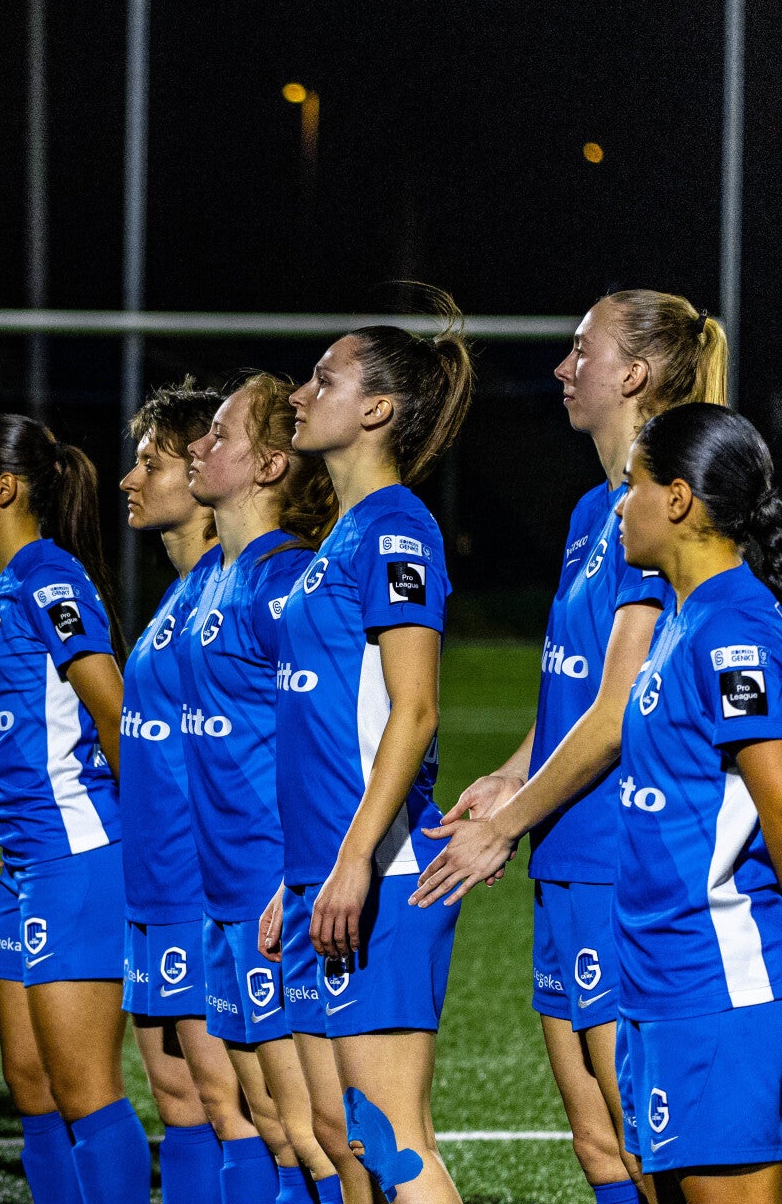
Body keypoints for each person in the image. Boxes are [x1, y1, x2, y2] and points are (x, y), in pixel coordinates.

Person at [409, 291, 732, 1203]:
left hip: (615, 857)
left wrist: (505, 824)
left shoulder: (659, 507)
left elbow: (623, 708)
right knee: (597, 1145)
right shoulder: (598, 508)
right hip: (566, 849)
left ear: (631, 374)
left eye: (581, 349)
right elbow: (578, 690)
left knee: (644, 1139)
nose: (562, 367)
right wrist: (511, 772)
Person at [607, 402, 782, 1200]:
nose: (620, 506)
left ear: (677, 500)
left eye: (632, 486)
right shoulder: (687, 617)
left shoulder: (733, 628)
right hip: (665, 973)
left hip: (719, 982)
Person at [269, 295, 474, 1204]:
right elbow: (323, 732)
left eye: (325, 378)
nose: (302, 392)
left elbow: (416, 710)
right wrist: (304, 875)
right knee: (349, 1140)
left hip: (383, 873)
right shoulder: (341, 537)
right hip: (335, 870)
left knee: (392, 1144)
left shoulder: (396, 528)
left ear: (378, 410)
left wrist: (353, 859)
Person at [0, 413, 147, 1204]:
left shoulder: (49, 577)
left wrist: (154, 837)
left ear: (6, 487)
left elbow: (113, 708)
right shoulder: (7, 581)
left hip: (80, 855)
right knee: (30, 1087)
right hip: (27, 862)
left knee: (86, 1088)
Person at [183, 375, 360, 1204]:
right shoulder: (223, 575)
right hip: (226, 888)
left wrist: (309, 872)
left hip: (273, 881)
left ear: (270, 465)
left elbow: (338, 730)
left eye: (218, 434)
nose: (197, 446)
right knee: (272, 1126)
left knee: (319, 1137)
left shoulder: (281, 579)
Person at [116, 379, 251, 1204]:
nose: (132, 479)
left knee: (238, 1108)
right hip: (157, 881)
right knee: (182, 1103)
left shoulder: (235, 588)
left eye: (150, 462)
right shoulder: (180, 595)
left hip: (207, 887)